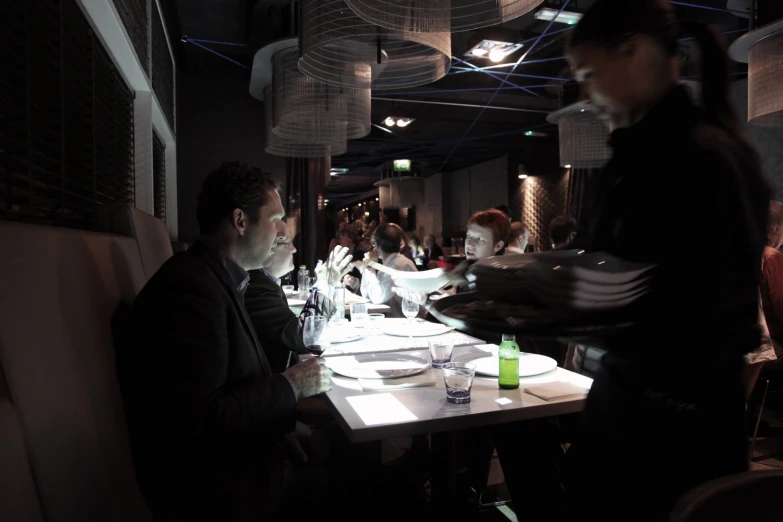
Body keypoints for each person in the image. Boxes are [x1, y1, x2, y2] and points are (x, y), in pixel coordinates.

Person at [563, 1, 769, 520]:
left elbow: (706, 304)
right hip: (635, 402)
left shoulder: (698, 154)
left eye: (589, 76)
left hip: (673, 421)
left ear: (632, 52)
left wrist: (578, 302)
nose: (586, 96)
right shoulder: (641, 151)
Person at [118, 161, 332, 522]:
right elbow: (201, 420)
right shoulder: (190, 290)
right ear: (240, 221)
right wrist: (291, 386)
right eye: (276, 218)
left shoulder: (216, 278)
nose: (283, 231)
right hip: (224, 495)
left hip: (247, 462)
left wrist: (282, 428)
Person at [245, 228, 353, 373]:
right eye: (287, 242)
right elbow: (303, 338)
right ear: (269, 247)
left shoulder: (265, 284)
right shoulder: (257, 287)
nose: (294, 249)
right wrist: (325, 284)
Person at [358, 223, 418, 317]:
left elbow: (377, 298)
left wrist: (370, 268)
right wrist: (368, 266)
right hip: (398, 321)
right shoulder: (391, 263)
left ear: (377, 246)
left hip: (408, 324)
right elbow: (365, 293)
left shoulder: (398, 265)